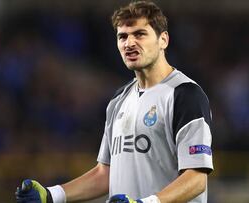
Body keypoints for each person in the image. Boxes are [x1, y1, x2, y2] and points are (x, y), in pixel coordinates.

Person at [15, 0, 214, 202]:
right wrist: (52, 194)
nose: (129, 43)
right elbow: (105, 173)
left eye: (139, 34)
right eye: (123, 36)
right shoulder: (119, 100)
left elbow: (197, 178)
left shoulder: (185, 95)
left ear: (163, 40)